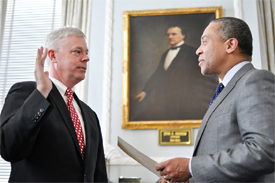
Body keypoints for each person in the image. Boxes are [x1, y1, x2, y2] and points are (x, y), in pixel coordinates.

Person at [156, 17, 275, 182]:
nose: (198, 50)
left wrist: (191, 168)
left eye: (204, 42)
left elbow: (264, 151)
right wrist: (188, 179)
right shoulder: (226, 89)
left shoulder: (255, 80)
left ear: (230, 45)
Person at [0, 27, 108, 182]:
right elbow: (9, 148)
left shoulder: (90, 115)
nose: (86, 58)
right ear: (53, 55)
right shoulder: (29, 93)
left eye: (86, 52)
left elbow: (98, 176)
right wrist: (42, 92)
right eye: (77, 52)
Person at [132, 25, 217, 121]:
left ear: (183, 35)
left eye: (174, 34)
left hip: (187, 100)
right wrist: (145, 91)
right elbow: (158, 74)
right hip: (166, 100)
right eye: (168, 34)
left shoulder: (192, 52)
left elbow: (202, 76)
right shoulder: (166, 53)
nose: (170, 37)